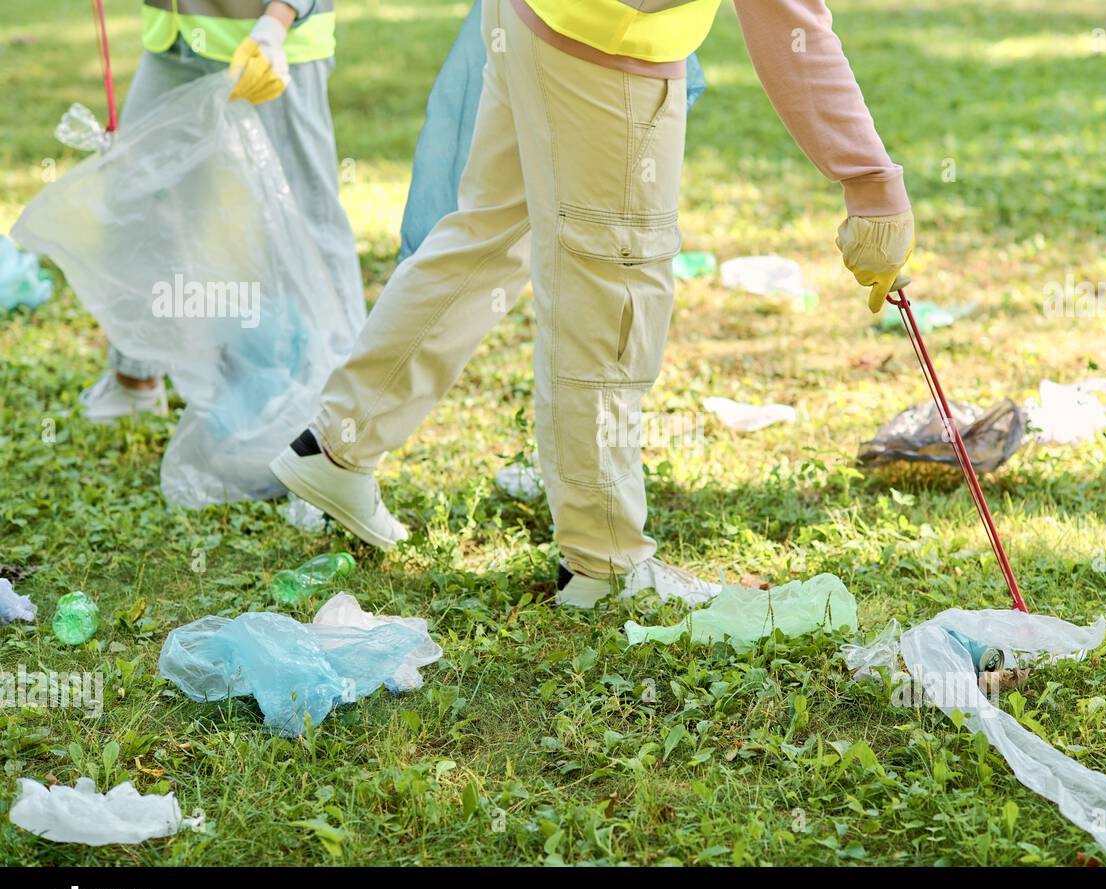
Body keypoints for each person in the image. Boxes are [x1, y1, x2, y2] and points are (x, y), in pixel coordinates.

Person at [271, 0, 913, 608]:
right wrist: (870, 183)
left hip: (534, 20)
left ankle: (338, 444)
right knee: (612, 284)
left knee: (486, 238)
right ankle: (603, 564)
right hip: (602, 43)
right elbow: (787, 21)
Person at [79, 0, 365, 422]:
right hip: (175, 36)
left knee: (305, 220)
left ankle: (339, 419)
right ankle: (135, 377)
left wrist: (276, 23)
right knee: (136, 196)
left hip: (269, 41)